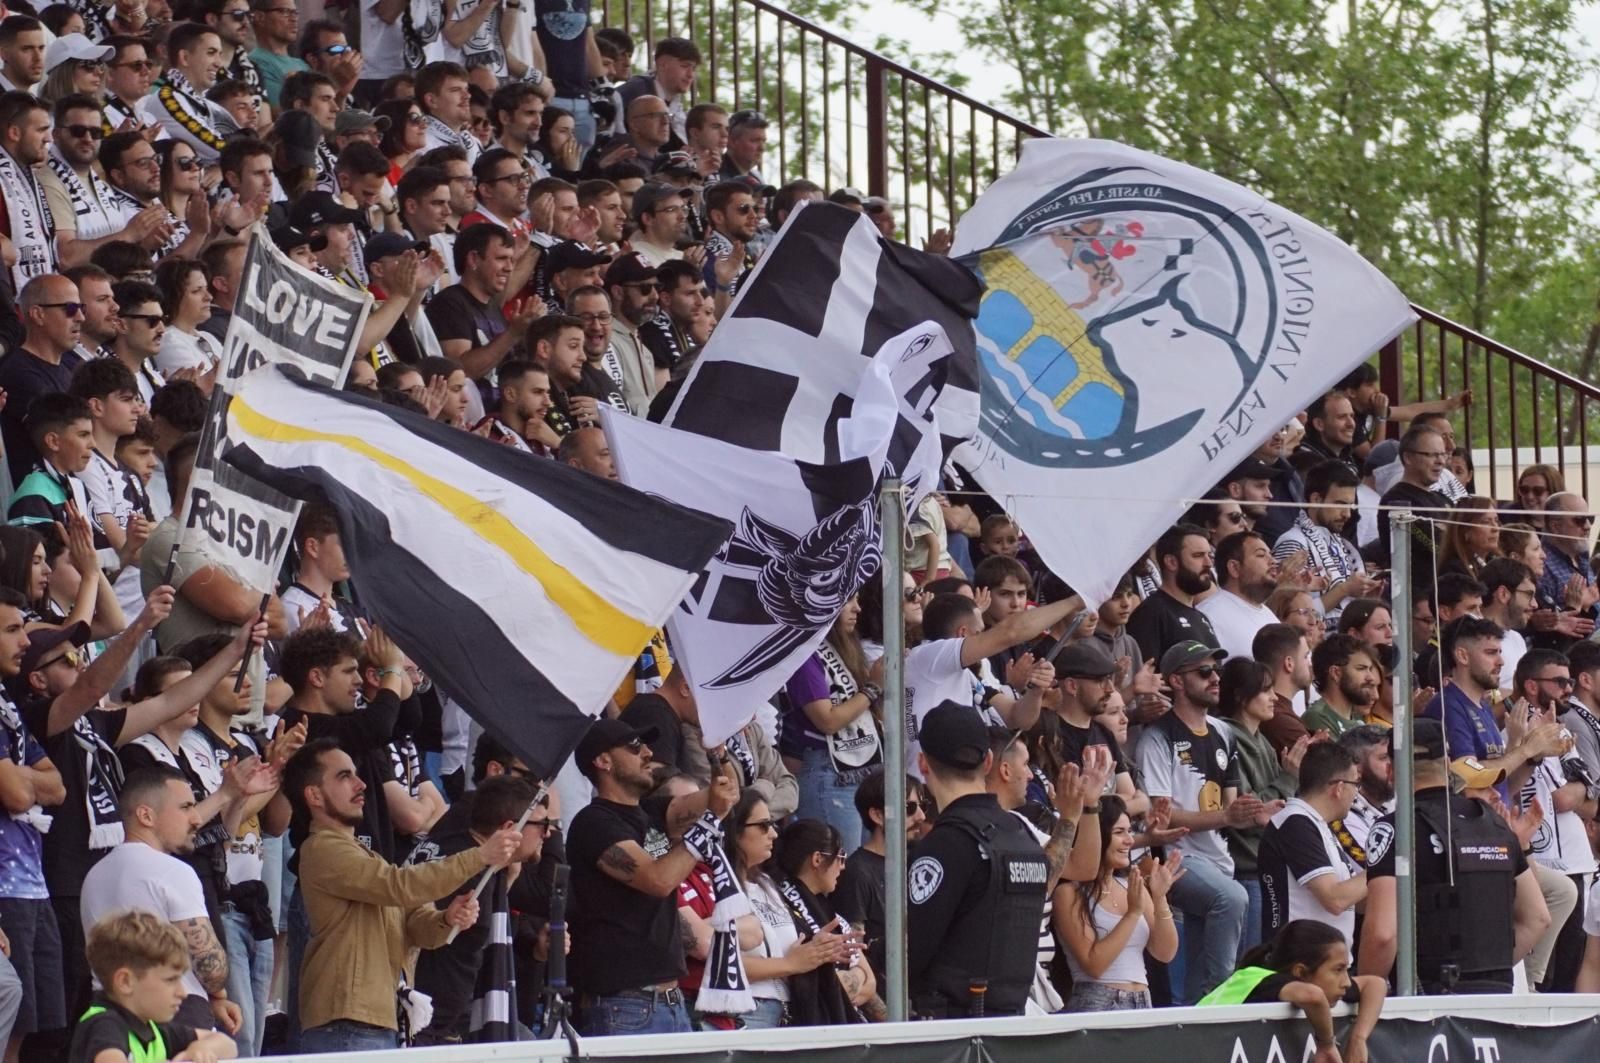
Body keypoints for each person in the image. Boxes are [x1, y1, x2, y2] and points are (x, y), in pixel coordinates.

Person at [282, 738, 518, 1052]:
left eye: (356, 774)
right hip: (347, 1025)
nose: (361, 783)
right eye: (344, 776)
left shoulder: (366, 856)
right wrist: (479, 856)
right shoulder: (323, 849)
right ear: (313, 795)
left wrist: (445, 919)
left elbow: (412, 924)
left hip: (376, 1020)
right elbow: (399, 886)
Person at [567, 717, 737, 1035]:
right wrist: (708, 823)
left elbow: (725, 795)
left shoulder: (654, 813)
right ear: (603, 761)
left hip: (670, 1002)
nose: (647, 752)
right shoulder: (593, 824)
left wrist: (718, 755)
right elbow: (658, 881)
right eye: (634, 746)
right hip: (624, 1006)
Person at [1359, 719, 1550, 993]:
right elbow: (1538, 918)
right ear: (1448, 762)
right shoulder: (1495, 824)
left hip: (1427, 1001)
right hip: (1496, 995)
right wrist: (1487, 971)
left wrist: (1367, 992)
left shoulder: (1396, 828)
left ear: (1391, 770)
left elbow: (1382, 934)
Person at [1137, 639, 1273, 1003]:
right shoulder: (1158, 737)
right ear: (1176, 681)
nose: (1215, 679)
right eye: (1204, 672)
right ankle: (1221, 1001)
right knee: (1231, 898)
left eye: (1217, 671)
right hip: (1174, 859)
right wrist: (1226, 816)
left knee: (1196, 963)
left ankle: (1196, 1015)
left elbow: (1230, 808)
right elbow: (1160, 818)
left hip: (1216, 857)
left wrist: (1253, 814)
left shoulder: (1224, 732)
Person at [904, 703, 1048, 1019]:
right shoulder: (1022, 836)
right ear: (988, 762)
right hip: (1012, 1025)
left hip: (953, 1032)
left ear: (922, 764)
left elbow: (908, 952)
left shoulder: (946, 844)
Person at [78, 766, 240, 1033]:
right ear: (146, 815)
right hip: (176, 1018)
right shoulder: (173, 871)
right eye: (186, 807)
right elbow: (211, 969)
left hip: (108, 1019)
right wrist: (219, 993)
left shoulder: (94, 875)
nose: (196, 819)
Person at [724, 793, 852, 1029]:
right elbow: (719, 965)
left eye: (772, 824)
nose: (773, 833)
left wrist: (819, 950)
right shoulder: (718, 886)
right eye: (763, 825)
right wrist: (791, 963)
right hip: (746, 1014)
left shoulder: (767, 884)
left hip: (785, 1014)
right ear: (735, 830)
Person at [1507, 649, 1596, 992]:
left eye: (1570, 681)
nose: (1567, 689)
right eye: (1559, 681)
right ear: (1531, 685)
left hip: (1577, 861)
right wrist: (1577, 792)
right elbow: (1563, 798)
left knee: (1569, 968)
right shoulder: (1511, 731)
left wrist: (1578, 792)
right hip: (1540, 860)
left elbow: (1586, 801)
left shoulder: (1561, 731)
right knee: (1540, 973)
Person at [1055, 796, 1183, 1012]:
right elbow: (1093, 964)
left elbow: (1165, 953)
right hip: (1096, 1002)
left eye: (1129, 831)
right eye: (1118, 832)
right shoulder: (1068, 892)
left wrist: (1160, 898)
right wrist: (1132, 914)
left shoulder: (1131, 885)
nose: (1130, 840)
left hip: (1142, 1000)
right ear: (1097, 836)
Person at [1200, 919, 1385, 1063]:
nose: (1346, 982)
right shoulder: (1258, 980)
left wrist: (1358, 1038)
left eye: (1347, 969)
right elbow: (1313, 996)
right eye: (1338, 970)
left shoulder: (1318, 983)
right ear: (1301, 972)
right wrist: (1326, 1044)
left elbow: (1376, 984)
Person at [780, 595, 883, 853]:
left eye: (858, 599)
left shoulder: (847, 647)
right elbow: (827, 720)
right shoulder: (805, 653)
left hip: (862, 768)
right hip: (827, 773)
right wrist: (872, 688)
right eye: (848, 600)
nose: (857, 608)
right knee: (839, 866)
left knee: (861, 864)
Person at [1214, 656, 1302, 954]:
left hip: (1266, 866)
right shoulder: (1228, 738)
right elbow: (1248, 808)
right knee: (1249, 967)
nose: (1274, 697)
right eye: (1265, 690)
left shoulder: (1262, 741)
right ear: (1241, 696)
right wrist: (1288, 778)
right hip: (1245, 868)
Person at [1421, 616, 1563, 797]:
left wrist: (1535, 754)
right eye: (1490, 652)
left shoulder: (1483, 707)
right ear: (1462, 656)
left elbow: (1506, 786)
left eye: (1499, 652)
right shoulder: (1448, 706)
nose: (1501, 661)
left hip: (1496, 821)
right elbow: (1466, 774)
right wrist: (1526, 749)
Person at [70, 910, 238, 1063]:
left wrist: (201, 1049)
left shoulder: (154, 1028)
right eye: (171, 980)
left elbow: (228, 1045)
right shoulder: (104, 1025)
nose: (183, 993)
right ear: (125, 982)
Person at [770, 819, 881, 1022]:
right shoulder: (780, 910)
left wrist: (846, 982)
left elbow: (870, 984)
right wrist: (855, 977)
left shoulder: (832, 915)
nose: (843, 866)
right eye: (840, 857)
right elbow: (816, 987)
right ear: (818, 859)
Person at [1258, 744, 1366, 945]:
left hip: (1327, 964)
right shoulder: (1295, 823)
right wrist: (1385, 865)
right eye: (1356, 784)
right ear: (1339, 788)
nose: (1356, 794)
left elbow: (1352, 901)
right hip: (1299, 963)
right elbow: (1334, 899)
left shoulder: (1318, 824)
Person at [833, 770, 927, 981]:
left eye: (923, 806)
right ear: (877, 815)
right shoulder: (856, 872)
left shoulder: (921, 862)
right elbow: (854, 953)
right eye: (909, 808)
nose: (921, 816)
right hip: (887, 997)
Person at [1271, 460, 1379, 628]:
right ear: (1316, 499)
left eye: (1350, 506)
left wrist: (1366, 599)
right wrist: (1345, 589)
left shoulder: (1339, 542)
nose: (1347, 514)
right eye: (1340, 504)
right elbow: (1290, 613)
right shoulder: (1293, 542)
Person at [1125, 524, 1220, 663]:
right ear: (1171, 562)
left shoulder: (1200, 617)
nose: (1208, 564)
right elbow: (1145, 676)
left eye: (1209, 556)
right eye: (1198, 556)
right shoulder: (1151, 613)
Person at [139, 23, 230, 164]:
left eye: (220, 54)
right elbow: (222, 149)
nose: (219, 63)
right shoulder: (168, 99)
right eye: (211, 53)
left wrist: (220, 170)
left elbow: (245, 144)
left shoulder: (209, 104)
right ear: (185, 58)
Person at [1376, 422, 1451, 587]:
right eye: (1432, 455)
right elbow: (1438, 547)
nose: (1441, 461)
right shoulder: (1396, 501)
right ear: (1408, 458)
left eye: (1443, 454)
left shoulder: (1442, 499)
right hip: (1419, 600)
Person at [1197, 530, 1278, 660]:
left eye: (1271, 555)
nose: (1273, 561)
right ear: (1234, 568)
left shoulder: (1268, 614)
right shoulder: (1207, 616)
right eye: (1261, 555)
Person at [1302, 635, 1382, 739]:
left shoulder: (1357, 719)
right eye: (1361, 669)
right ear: (1336, 673)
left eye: (1370, 669)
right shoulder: (1317, 717)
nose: (1371, 677)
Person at [1539, 492, 1599, 627]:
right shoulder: (1542, 566)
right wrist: (1578, 606)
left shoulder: (1579, 553)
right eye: (1580, 520)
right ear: (1556, 526)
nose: (1588, 526)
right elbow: (1554, 628)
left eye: (1590, 518)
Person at [152, 258, 222, 375]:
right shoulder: (167, 341)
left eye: (206, 289)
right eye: (197, 291)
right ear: (173, 297)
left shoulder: (208, 337)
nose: (209, 297)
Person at [721, 108, 768, 182]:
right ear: (732, 142)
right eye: (755, 141)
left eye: (764, 141)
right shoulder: (713, 176)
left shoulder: (756, 177)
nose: (762, 148)